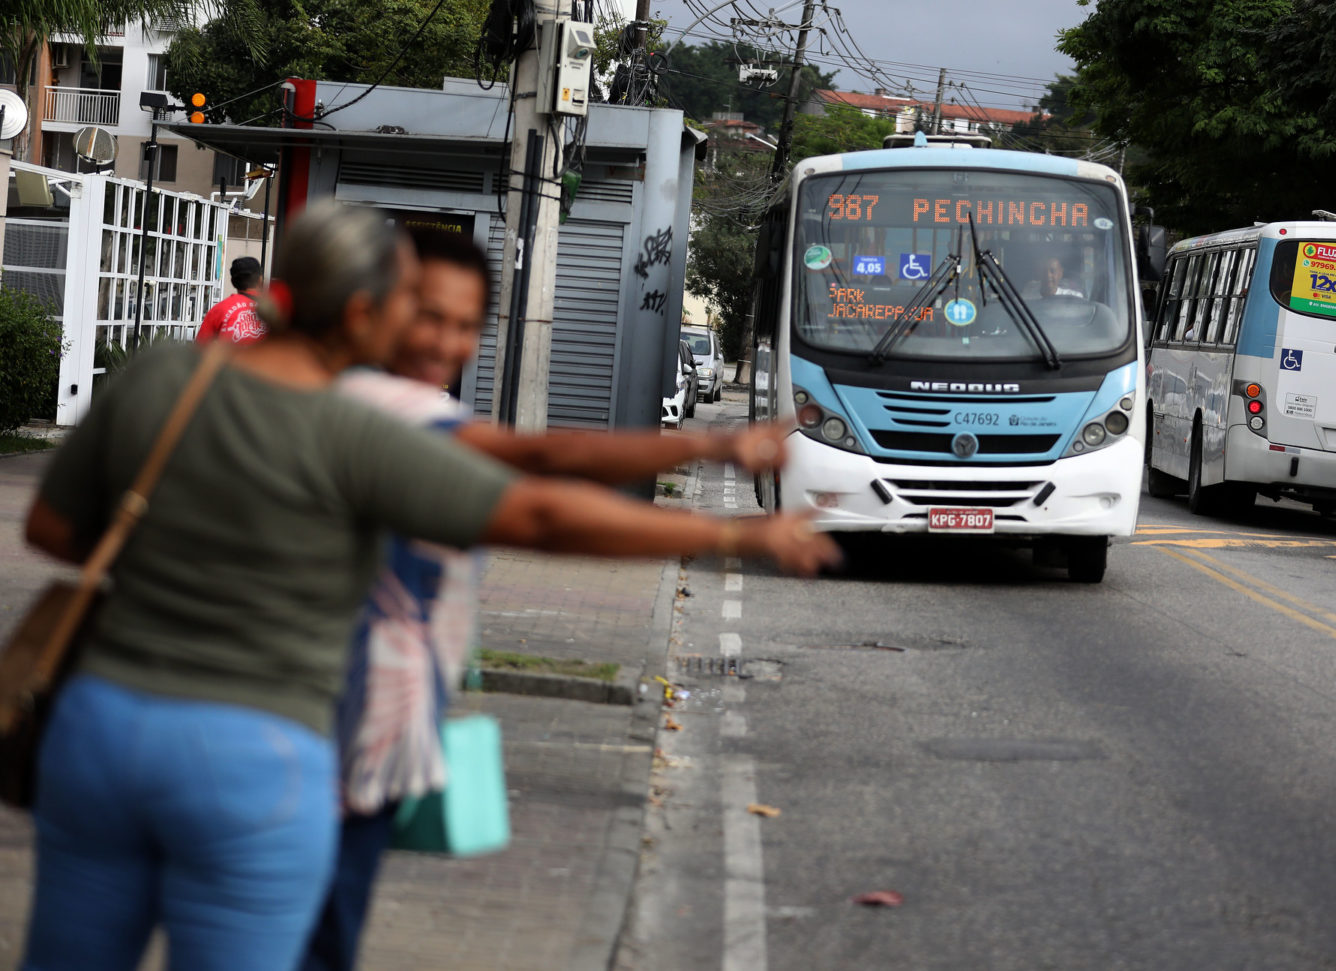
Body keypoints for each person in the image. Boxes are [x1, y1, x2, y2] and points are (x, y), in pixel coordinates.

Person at [21, 203, 839, 971]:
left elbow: (49, 531)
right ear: (359, 315)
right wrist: (735, 530)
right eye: (407, 305)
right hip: (254, 756)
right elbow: (543, 510)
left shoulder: (167, 375)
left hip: (99, 731)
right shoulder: (360, 431)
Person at [300, 227, 794, 970]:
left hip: (363, 733)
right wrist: (726, 502)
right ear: (373, 306)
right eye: (426, 313)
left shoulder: (376, 402)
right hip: (330, 733)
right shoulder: (376, 407)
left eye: (466, 325)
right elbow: (540, 482)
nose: (444, 340)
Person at [195, 256, 267, 343]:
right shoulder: (278, 311)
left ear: (233, 282)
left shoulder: (218, 310)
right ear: (260, 279)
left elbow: (200, 348)